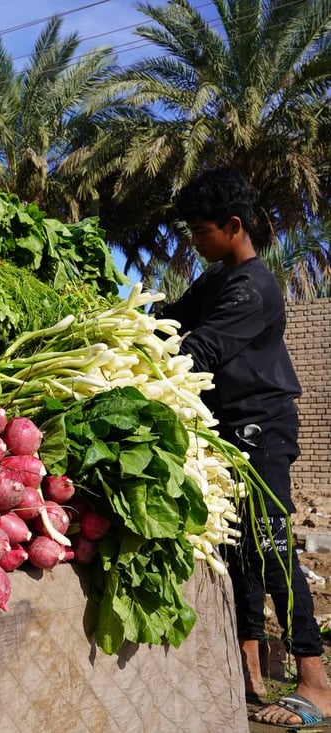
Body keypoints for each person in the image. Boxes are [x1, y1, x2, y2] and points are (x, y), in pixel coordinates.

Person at [158, 166, 331, 727]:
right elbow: (173, 317)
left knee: (273, 545)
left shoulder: (255, 287)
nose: (194, 241)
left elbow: (202, 348)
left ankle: (314, 679)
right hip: (228, 429)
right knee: (238, 551)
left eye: (201, 231)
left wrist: (151, 359)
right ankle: (249, 665)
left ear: (233, 226)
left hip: (262, 427)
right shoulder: (215, 281)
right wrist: (128, 322)